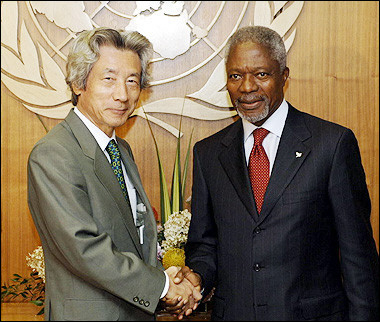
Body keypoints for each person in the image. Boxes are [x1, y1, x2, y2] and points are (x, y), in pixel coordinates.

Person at [172, 26, 379, 320]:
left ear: (284, 76)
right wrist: (197, 279)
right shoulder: (208, 153)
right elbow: (206, 244)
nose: (246, 87)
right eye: (235, 76)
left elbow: (358, 256)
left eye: (261, 74)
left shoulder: (331, 145)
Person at [27, 27, 200, 321]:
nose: (122, 95)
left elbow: (132, 239)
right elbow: (84, 248)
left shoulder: (121, 149)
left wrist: (163, 275)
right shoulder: (54, 153)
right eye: (108, 79)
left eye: (132, 81)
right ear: (79, 83)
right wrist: (162, 287)